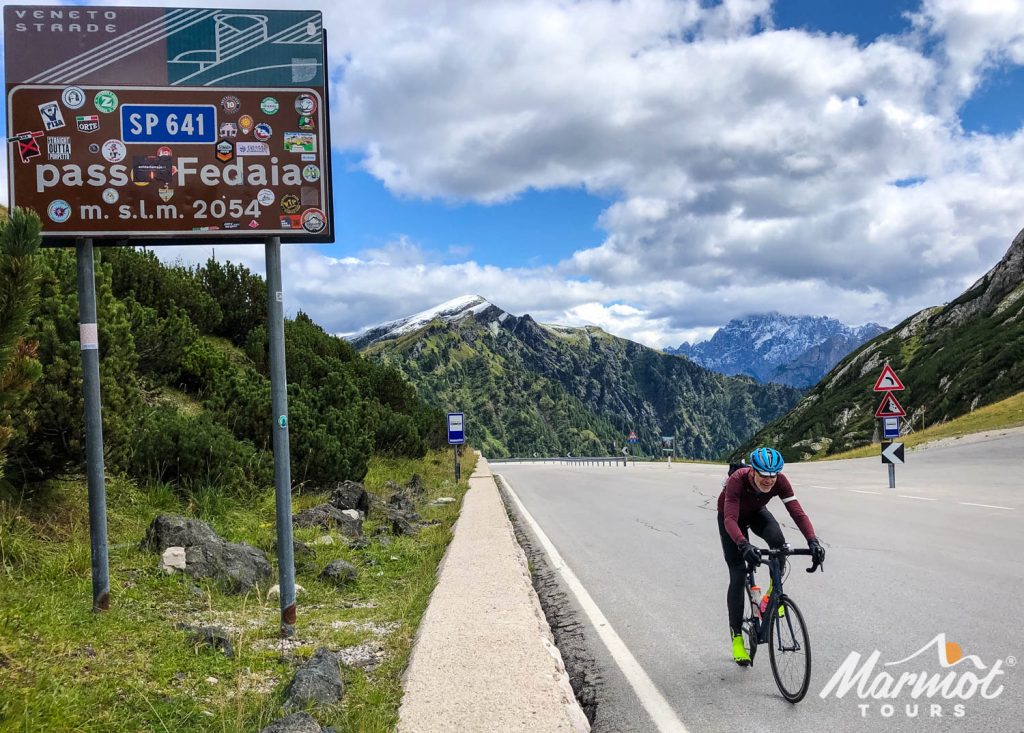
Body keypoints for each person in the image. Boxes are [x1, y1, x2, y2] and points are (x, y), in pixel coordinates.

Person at [717, 447, 825, 666]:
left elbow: (797, 512)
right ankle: (737, 637)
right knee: (738, 574)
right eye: (764, 475)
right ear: (752, 471)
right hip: (731, 519)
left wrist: (812, 540)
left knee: (780, 545)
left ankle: (770, 596)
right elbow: (729, 519)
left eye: (773, 475)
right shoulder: (737, 480)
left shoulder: (780, 481)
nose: (769, 480)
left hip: (757, 513)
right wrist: (744, 544)